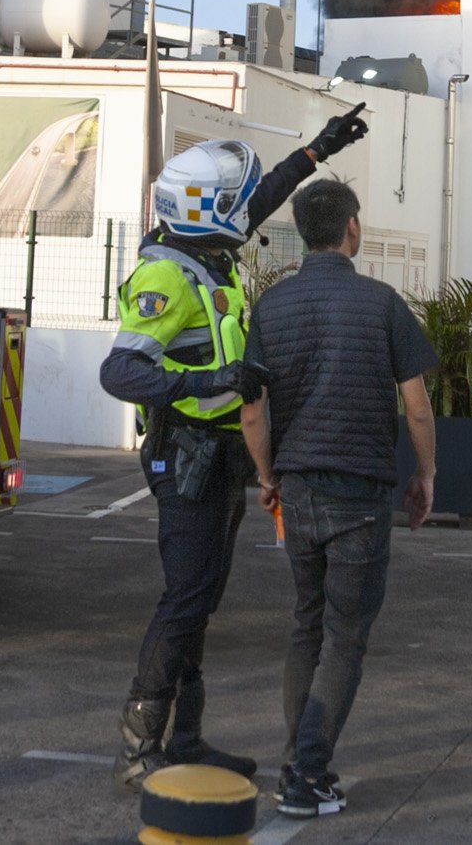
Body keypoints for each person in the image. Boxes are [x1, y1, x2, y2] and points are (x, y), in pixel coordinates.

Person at [99, 110, 369, 793]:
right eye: (230, 203)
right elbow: (121, 371)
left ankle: (185, 736)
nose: (244, 210)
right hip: (183, 453)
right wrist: (210, 378)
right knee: (185, 595)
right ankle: (138, 747)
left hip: (220, 453)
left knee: (204, 594)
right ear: (204, 211)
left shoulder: (208, 251)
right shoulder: (168, 274)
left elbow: (265, 194)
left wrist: (316, 149)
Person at [240, 180, 438, 820]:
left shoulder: (271, 307)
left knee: (306, 626)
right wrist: (426, 475)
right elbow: (416, 406)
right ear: (351, 227)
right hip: (360, 491)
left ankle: (298, 766)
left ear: (301, 231)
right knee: (345, 638)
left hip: (297, 489)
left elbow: (251, 413)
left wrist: (267, 475)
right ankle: (306, 777)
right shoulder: (381, 303)